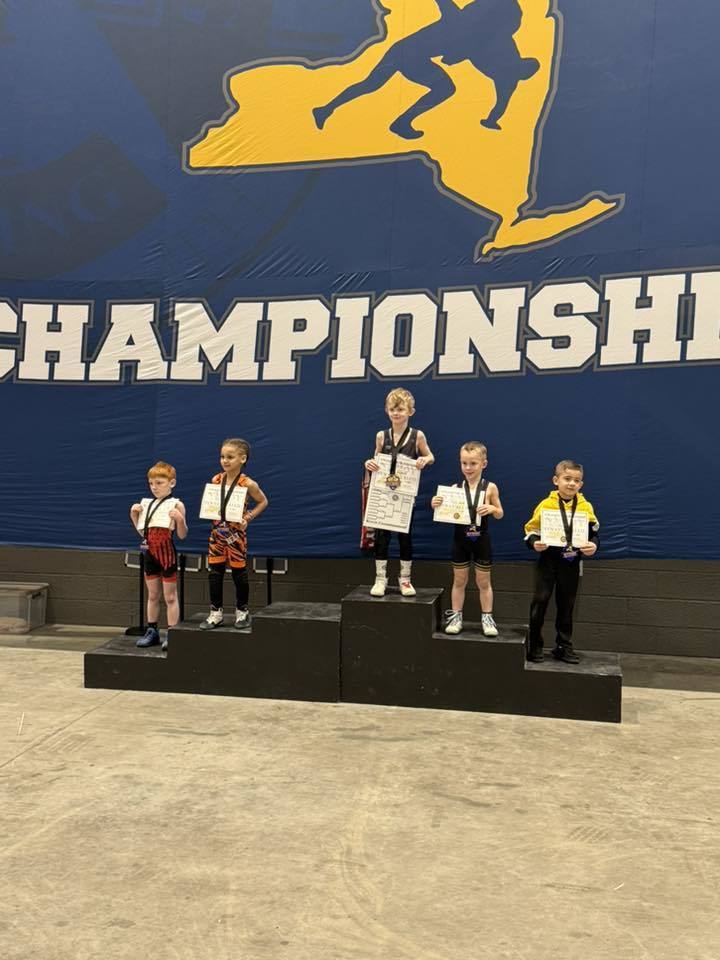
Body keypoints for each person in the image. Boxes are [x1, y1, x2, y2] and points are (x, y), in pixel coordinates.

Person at [524, 460, 599, 663]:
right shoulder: (545, 505)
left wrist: (593, 545)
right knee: (540, 601)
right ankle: (534, 646)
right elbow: (531, 530)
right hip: (548, 562)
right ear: (556, 480)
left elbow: (594, 533)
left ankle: (563, 646)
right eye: (567, 479)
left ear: (581, 484)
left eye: (577, 480)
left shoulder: (586, 506)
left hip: (571, 563)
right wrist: (534, 543)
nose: (572, 484)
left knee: (567, 605)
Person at [364, 387, 434, 597]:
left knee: (405, 537)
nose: (396, 413)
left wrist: (424, 460)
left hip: (405, 496)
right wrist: (369, 463)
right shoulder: (381, 436)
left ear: (410, 412)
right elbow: (375, 460)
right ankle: (380, 579)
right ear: (387, 411)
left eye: (401, 409)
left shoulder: (417, 435)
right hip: (383, 493)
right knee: (381, 538)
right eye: (392, 409)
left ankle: (405, 580)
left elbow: (431, 456)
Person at [430, 441, 503, 636]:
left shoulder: (490, 488)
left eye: (473, 463)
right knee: (459, 580)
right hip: (460, 541)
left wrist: (492, 509)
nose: (468, 468)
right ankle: (456, 616)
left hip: (481, 541)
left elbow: (500, 513)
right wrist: (436, 503)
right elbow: (443, 511)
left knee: (483, 582)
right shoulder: (455, 488)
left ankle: (487, 618)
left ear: (483, 464)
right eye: (464, 463)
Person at [200, 438, 268, 631]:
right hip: (216, 535)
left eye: (230, 457)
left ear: (243, 458)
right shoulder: (216, 479)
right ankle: (216, 613)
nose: (225, 460)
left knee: (239, 574)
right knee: (215, 574)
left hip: (236, 536)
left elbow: (263, 501)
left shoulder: (248, 484)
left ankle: (242, 611)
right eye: (222, 456)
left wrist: (248, 517)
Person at [130, 461, 188, 651]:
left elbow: (182, 535)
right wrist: (134, 516)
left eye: (159, 483)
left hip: (167, 555)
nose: (154, 487)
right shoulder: (147, 504)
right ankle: (152, 631)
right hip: (150, 554)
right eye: (151, 483)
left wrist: (179, 519)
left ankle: (173, 632)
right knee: (153, 595)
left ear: (172, 483)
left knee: (170, 597)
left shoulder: (177, 504)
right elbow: (143, 533)